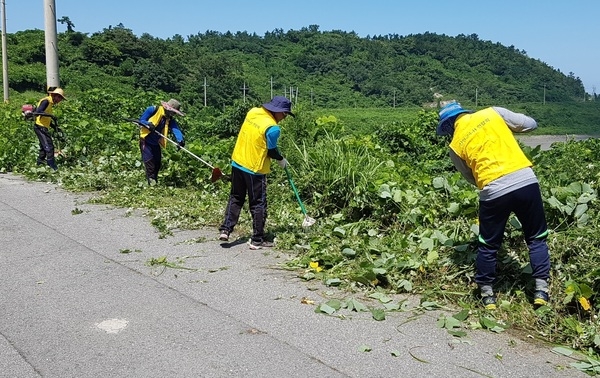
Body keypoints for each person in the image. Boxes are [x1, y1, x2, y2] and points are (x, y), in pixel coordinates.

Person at [437, 102, 551, 310]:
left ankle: (488, 296)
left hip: (492, 190)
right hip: (525, 180)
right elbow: (530, 124)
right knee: (536, 237)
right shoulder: (493, 113)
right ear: (463, 112)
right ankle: (541, 291)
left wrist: (490, 181)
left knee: (488, 244)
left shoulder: (454, 145)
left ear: (449, 126)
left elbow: (469, 176)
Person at [218, 96, 295, 250]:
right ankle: (257, 239)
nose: (284, 118)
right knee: (258, 203)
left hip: (238, 161)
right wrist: (281, 159)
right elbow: (272, 151)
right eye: (285, 114)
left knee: (236, 197)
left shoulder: (253, 112)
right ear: (278, 111)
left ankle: (226, 229)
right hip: (255, 169)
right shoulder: (273, 128)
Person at [138, 99, 185, 185]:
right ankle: (152, 183)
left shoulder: (169, 119)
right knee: (149, 162)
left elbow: (176, 129)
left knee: (157, 163)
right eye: (173, 112)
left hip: (156, 143)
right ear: (168, 109)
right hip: (146, 140)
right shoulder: (153, 110)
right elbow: (141, 120)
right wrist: (148, 124)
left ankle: (154, 181)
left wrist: (180, 140)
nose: (174, 114)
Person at [33, 87, 66, 170]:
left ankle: (39, 165)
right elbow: (38, 112)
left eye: (61, 99)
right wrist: (51, 115)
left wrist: (54, 127)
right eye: (59, 98)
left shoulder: (50, 104)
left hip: (44, 127)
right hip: (40, 127)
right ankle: (52, 166)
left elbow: (46, 118)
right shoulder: (46, 101)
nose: (59, 100)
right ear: (54, 95)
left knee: (43, 148)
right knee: (49, 146)